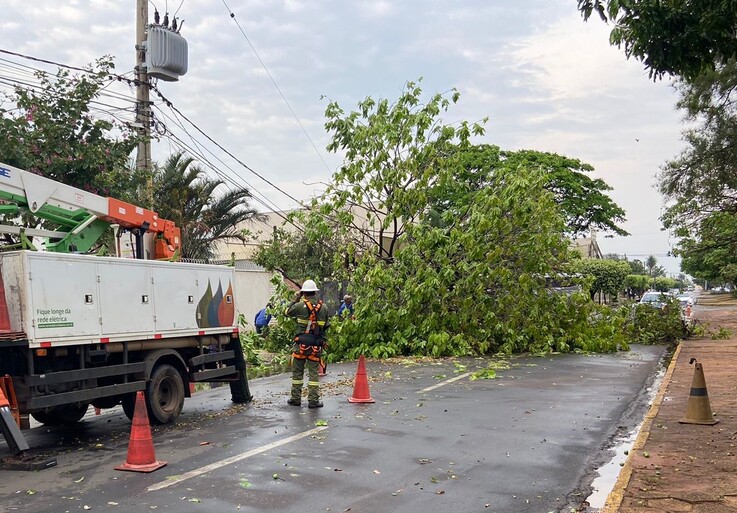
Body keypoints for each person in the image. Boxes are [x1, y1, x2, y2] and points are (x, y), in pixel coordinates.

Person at [285, 280, 329, 408]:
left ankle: (295, 399)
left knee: (297, 374)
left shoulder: (299, 306)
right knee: (314, 374)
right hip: (315, 347)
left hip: (300, 346)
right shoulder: (324, 307)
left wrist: (295, 298)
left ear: (303, 293)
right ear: (315, 293)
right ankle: (313, 401)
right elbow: (325, 327)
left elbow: (287, 312)